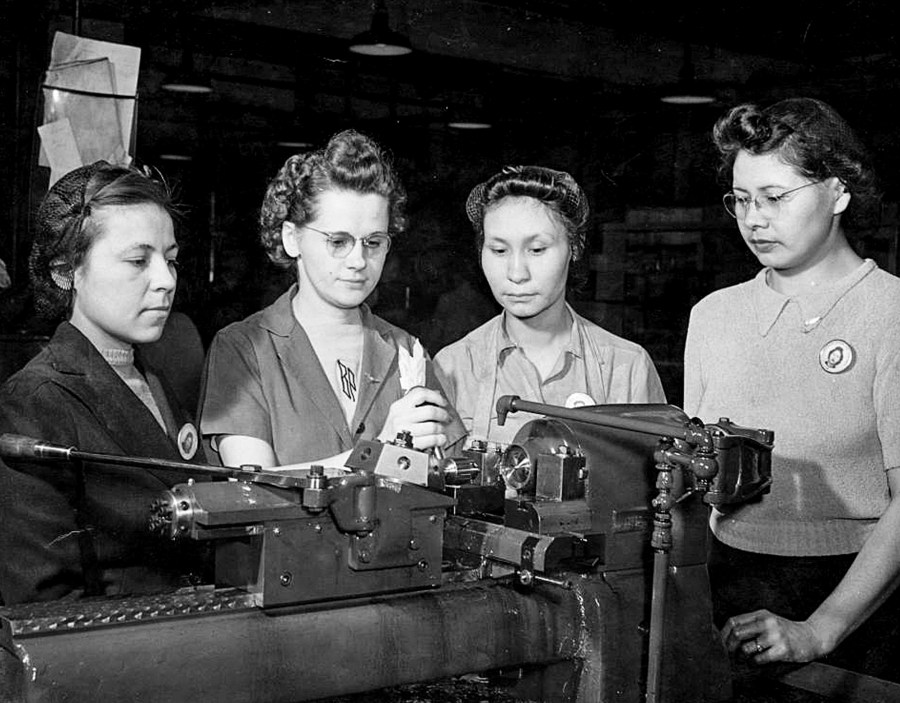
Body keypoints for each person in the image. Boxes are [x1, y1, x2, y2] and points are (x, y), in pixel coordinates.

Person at [683, 97, 900, 681]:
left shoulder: (890, 314)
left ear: (839, 192)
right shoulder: (713, 315)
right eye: (742, 200)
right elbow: (688, 482)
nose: (754, 219)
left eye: (775, 198)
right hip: (728, 587)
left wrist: (819, 629)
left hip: (856, 608)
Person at [0, 161, 211, 605]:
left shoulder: (161, 375)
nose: (165, 281)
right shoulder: (35, 401)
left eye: (170, 260)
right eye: (138, 261)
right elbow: (45, 603)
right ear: (65, 271)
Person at [199, 130, 465, 469]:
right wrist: (381, 450)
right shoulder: (243, 349)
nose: (357, 260)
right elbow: (253, 489)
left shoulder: (406, 352)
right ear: (292, 238)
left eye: (373, 242)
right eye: (338, 241)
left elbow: (447, 474)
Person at [434, 165, 666, 447]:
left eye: (537, 250)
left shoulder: (627, 368)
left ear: (575, 247)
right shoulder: (453, 368)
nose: (517, 273)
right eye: (498, 250)